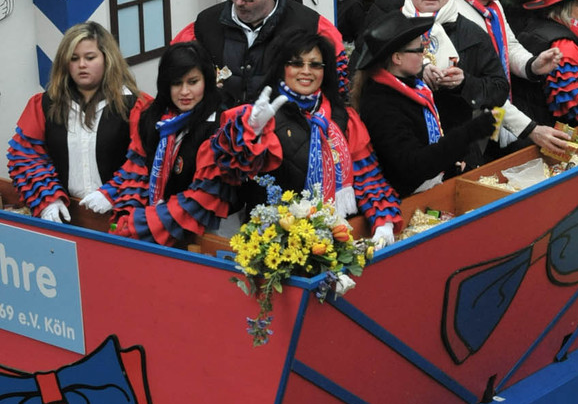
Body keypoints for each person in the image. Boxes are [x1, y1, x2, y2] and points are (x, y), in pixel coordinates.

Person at [212, 29, 401, 244]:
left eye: (315, 65)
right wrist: (248, 133)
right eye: (296, 63)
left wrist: (383, 221)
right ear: (281, 67)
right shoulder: (260, 116)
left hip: (336, 239)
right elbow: (230, 174)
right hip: (274, 243)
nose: (306, 71)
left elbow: (368, 178)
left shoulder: (343, 118)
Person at [80, 43, 233, 247]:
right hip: (158, 226)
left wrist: (147, 222)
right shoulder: (154, 117)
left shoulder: (220, 125)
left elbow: (204, 196)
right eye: (176, 83)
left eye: (193, 82)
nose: (185, 92)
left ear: (206, 80)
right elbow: (139, 167)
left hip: (206, 233)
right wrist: (111, 192)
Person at [442, 0, 575, 157]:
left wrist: (532, 65)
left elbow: (508, 46)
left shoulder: (493, 6)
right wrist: (531, 129)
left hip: (497, 118)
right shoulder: (457, 20)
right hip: (469, 126)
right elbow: (483, 88)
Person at [353, 12, 498, 197]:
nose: (425, 54)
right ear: (397, 58)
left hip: (430, 188)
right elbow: (414, 166)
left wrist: (450, 163)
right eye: (419, 49)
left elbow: (429, 145)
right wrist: (469, 133)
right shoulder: (381, 104)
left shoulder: (414, 87)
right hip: (403, 202)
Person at [7, 21, 139, 223]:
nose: (82, 65)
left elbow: (146, 161)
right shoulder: (45, 104)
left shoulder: (135, 105)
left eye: (90, 57)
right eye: (74, 59)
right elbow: (26, 155)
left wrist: (113, 192)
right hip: (65, 214)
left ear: (107, 59)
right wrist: (48, 198)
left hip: (120, 218)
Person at [174, 0, 349, 104]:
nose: (238, 3)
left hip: (285, 125)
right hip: (223, 124)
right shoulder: (207, 22)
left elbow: (336, 88)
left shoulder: (309, 24)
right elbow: (177, 71)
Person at [400, 0, 509, 166]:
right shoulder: (389, 29)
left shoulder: (472, 32)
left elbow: (499, 89)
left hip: (460, 153)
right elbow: (365, 82)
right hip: (405, 152)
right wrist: (416, 73)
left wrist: (464, 83)